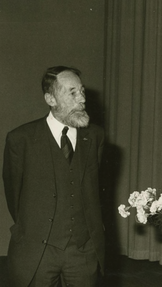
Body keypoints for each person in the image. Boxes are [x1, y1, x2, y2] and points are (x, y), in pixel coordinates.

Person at [3, 66, 105, 287]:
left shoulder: (95, 136)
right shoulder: (21, 140)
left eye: (82, 91)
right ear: (50, 99)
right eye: (72, 92)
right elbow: (14, 197)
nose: (82, 100)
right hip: (38, 252)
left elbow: (93, 191)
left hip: (82, 251)